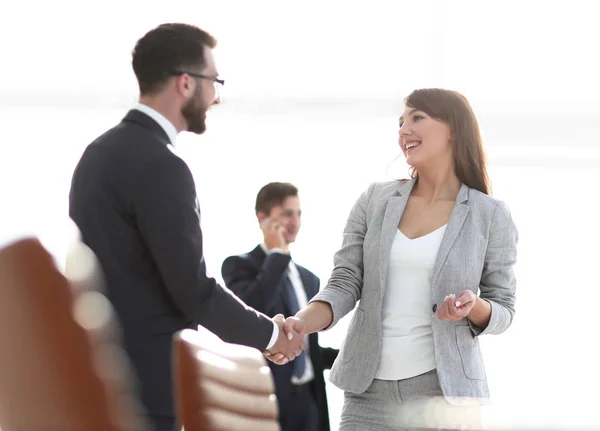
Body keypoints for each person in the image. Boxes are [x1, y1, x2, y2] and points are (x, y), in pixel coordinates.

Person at [68, 23, 303, 431]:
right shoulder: (163, 165)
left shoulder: (97, 153)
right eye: (213, 81)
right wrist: (272, 335)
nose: (215, 96)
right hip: (150, 389)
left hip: (99, 376)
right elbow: (192, 290)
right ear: (185, 83)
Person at [284, 88, 519, 430]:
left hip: (444, 399)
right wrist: (300, 324)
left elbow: (504, 308)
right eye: (400, 123)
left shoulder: (490, 214)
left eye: (417, 118)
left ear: (453, 128)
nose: (403, 131)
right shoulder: (375, 200)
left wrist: (474, 306)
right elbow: (345, 282)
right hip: (366, 395)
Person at [221, 182, 339, 431]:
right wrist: (276, 254)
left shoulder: (309, 278)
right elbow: (254, 309)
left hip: (310, 402)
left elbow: (310, 348)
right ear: (262, 218)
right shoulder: (238, 266)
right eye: (287, 213)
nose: (295, 221)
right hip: (268, 399)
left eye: (299, 213)